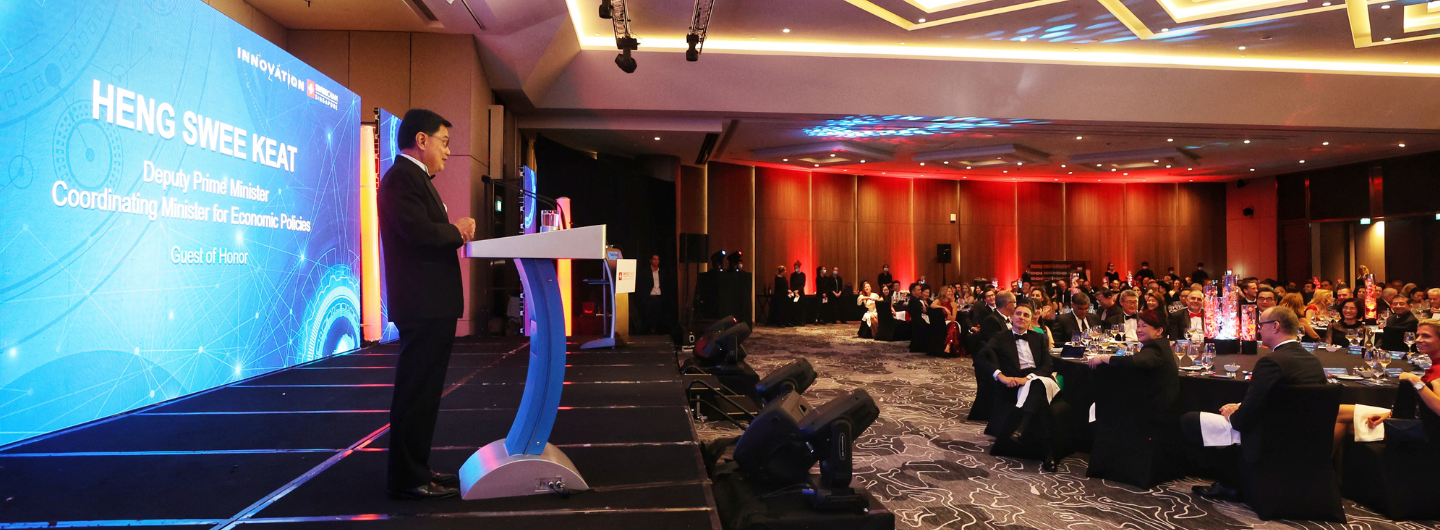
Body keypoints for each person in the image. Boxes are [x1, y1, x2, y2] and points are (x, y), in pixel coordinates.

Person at [379, 109, 471, 499]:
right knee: (417, 391)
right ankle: (408, 476)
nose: (448, 152)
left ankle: (418, 468)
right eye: (444, 142)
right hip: (422, 303)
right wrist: (457, 231)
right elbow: (416, 231)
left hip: (430, 303)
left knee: (425, 392)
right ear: (421, 140)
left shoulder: (414, 178)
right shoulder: (402, 177)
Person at [1183, 306, 1327, 499]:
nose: (1258, 330)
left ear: (1275, 326)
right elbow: (1286, 401)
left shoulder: (1272, 362)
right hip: (1302, 436)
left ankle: (1230, 483)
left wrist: (1233, 413)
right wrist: (1242, 406)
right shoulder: (1312, 360)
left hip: (1268, 437)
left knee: (1190, 420)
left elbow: (1243, 421)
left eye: (1261, 325)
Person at [976, 301, 1064, 471]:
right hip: (1015, 382)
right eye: (1018, 314)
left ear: (1031, 320)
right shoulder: (1000, 337)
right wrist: (1001, 377)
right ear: (1011, 317)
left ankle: (1022, 425)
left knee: (1037, 384)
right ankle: (1048, 454)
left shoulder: (1039, 337)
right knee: (1041, 404)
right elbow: (981, 357)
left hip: (1039, 377)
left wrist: (1028, 378)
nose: (1021, 317)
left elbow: (1047, 365)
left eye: (1026, 315)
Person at [1085, 308, 1179, 431]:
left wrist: (1103, 358)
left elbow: (1134, 361)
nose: (1139, 330)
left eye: (1144, 326)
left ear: (1159, 330)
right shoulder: (1161, 344)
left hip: (1155, 406)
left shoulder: (1156, 348)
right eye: (1138, 326)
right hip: (1157, 401)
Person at [636, 254, 668, 334]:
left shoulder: (662, 272)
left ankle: (656, 331)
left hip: (659, 296)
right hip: (649, 296)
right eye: (654, 259)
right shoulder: (645, 271)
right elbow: (641, 284)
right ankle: (646, 331)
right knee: (647, 315)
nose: (656, 261)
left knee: (658, 315)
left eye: (657, 259)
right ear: (650, 260)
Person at [788, 261, 806, 326]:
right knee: (795, 308)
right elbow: (791, 284)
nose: (795, 269)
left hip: (800, 293)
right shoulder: (792, 275)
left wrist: (798, 290)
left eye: (796, 268)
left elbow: (803, 284)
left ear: (799, 267)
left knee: (802, 308)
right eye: (794, 268)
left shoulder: (803, 275)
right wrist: (794, 291)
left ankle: (802, 321)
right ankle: (794, 321)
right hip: (794, 293)